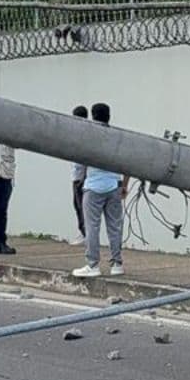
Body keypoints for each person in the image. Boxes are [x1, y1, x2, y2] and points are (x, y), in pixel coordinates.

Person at [72, 102, 128, 278]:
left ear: (93, 116)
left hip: (93, 186)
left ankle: (93, 264)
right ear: (109, 116)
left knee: (92, 227)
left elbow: (80, 163)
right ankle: (117, 263)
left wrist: (78, 182)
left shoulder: (88, 136)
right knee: (115, 226)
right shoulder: (116, 136)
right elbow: (129, 162)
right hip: (114, 185)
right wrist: (124, 185)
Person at [69, 104, 88, 246]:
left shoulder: (84, 134)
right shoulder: (77, 133)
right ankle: (83, 232)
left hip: (81, 176)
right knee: (77, 205)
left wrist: (84, 177)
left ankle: (85, 234)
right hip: (76, 175)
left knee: (81, 206)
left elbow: (87, 158)